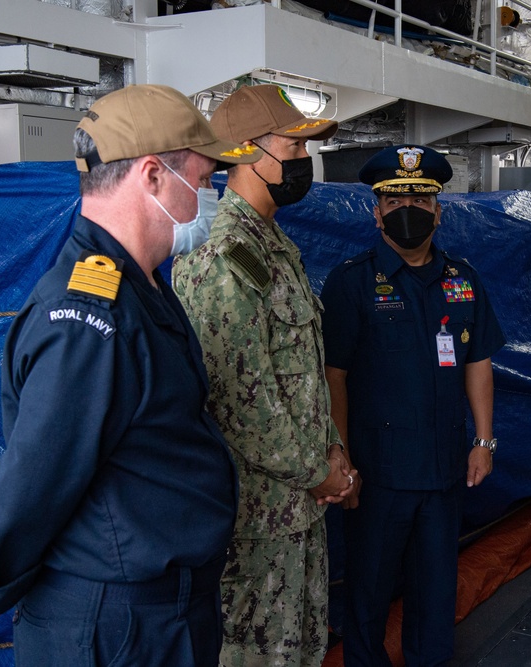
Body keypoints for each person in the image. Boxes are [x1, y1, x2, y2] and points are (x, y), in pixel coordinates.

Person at [0, 83, 262, 666]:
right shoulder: (90, 317)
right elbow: (40, 468)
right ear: (152, 175)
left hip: (157, 612)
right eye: (200, 181)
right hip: (114, 625)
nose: (207, 198)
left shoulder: (138, 286)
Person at [172, 84, 352, 667]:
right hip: (258, 522)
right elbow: (242, 401)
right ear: (247, 152)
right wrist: (320, 470)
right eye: (293, 148)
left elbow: (299, 374)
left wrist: (334, 451)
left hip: (300, 509)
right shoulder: (225, 261)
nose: (305, 162)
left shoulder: (276, 249)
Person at [320, 145, 505, 666]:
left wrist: (484, 441)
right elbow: (334, 376)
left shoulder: (462, 280)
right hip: (378, 477)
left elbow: (478, 363)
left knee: (435, 592)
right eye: (395, 199)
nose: (409, 210)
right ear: (376, 212)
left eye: (420, 200)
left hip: (445, 472)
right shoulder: (351, 283)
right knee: (369, 595)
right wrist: (343, 458)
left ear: (439, 211)